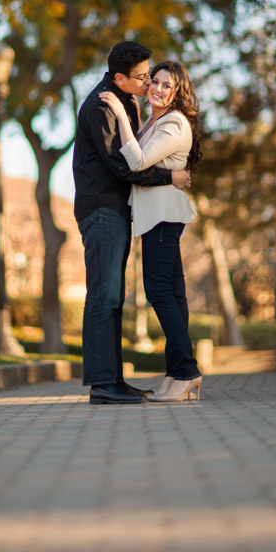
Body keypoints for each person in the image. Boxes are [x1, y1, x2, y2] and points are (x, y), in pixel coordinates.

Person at [73, 41, 191, 405]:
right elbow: (124, 167)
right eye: (142, 77)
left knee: (114, 298)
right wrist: (169, 178)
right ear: (119, 77)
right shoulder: (101, 105)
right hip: (103, 209)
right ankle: (102, 384)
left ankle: (113, 380)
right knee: (103, 296)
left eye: (150, 74)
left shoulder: (127, 101)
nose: (148, 82)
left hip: (119, 210)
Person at [98, 60, 203, 403]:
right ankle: (177, 375)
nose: (156, 88)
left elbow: (138, 161)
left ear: (177, 92)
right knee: (172, 295)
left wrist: (121, 115)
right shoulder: (158, 121)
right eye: (154, 81)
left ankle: (187, 372)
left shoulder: (173, 123)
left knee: (159, 293)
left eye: (166, 85)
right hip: (159, 217)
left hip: (161, 217)